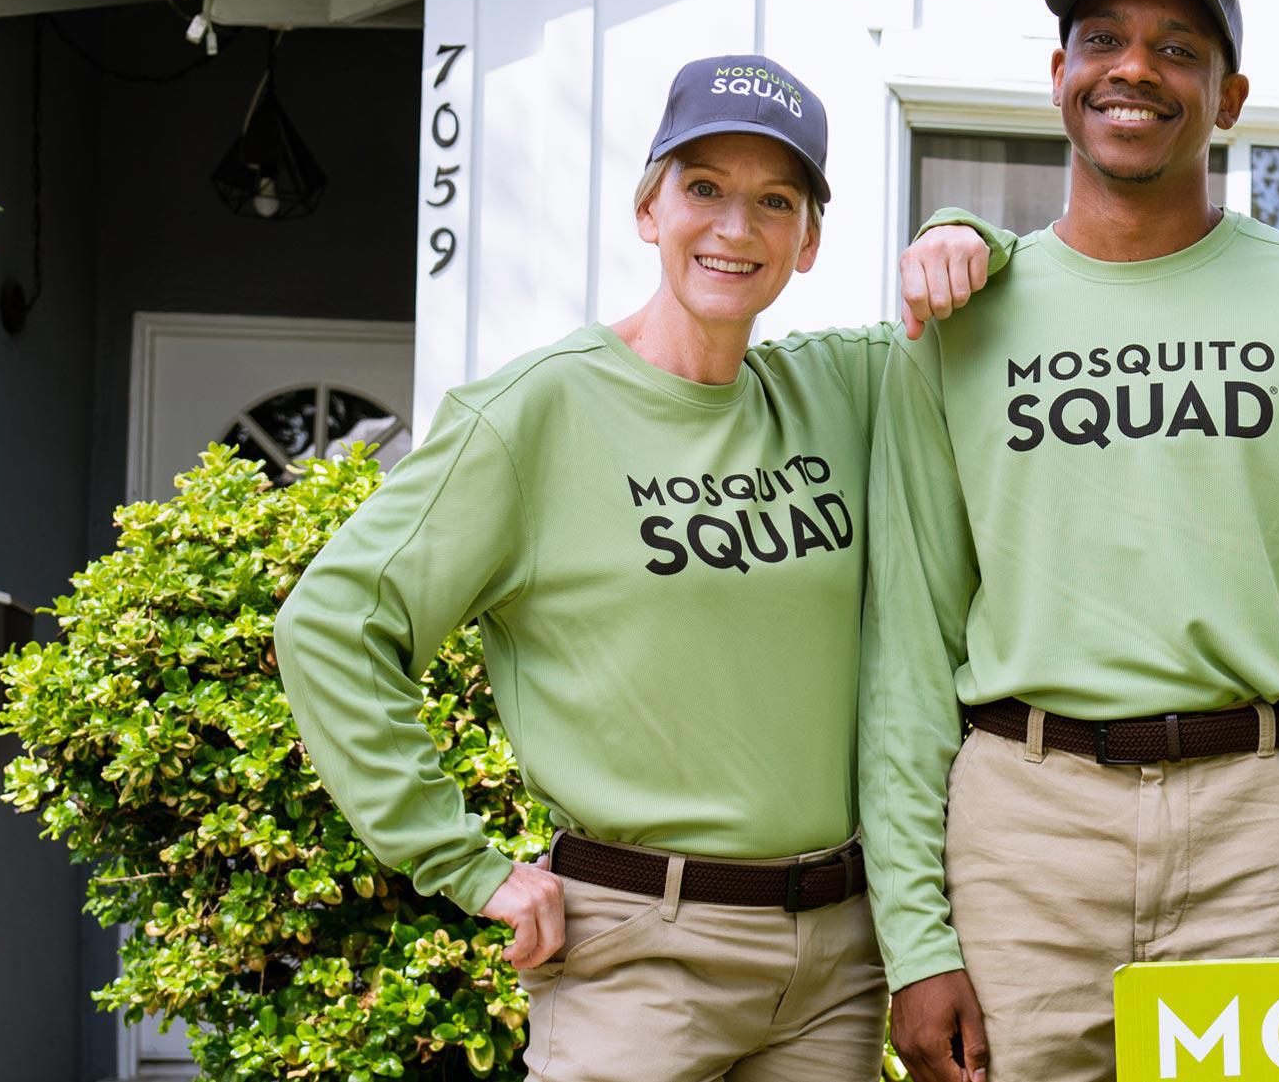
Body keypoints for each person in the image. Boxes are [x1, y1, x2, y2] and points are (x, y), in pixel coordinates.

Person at [861, 0, 1279, 1082]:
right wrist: (916, 942)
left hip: (1260, 829)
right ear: (1056, 77)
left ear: (1229, 96)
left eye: (1177, 48)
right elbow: (906, 645)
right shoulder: (956, 326)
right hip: (1026, 828)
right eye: (1101, 39)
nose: (1134, 69)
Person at [276, 53, 983, 1081]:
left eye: (773, 200)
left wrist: (964, 227)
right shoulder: (534, 416)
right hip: (639, 957)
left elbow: (978, 317)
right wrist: (461, 862)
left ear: (810, 240)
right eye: (703, 189)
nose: (735, 229)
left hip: (832, 957)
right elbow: (333, 627)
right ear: (649, 209)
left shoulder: (842, 389)